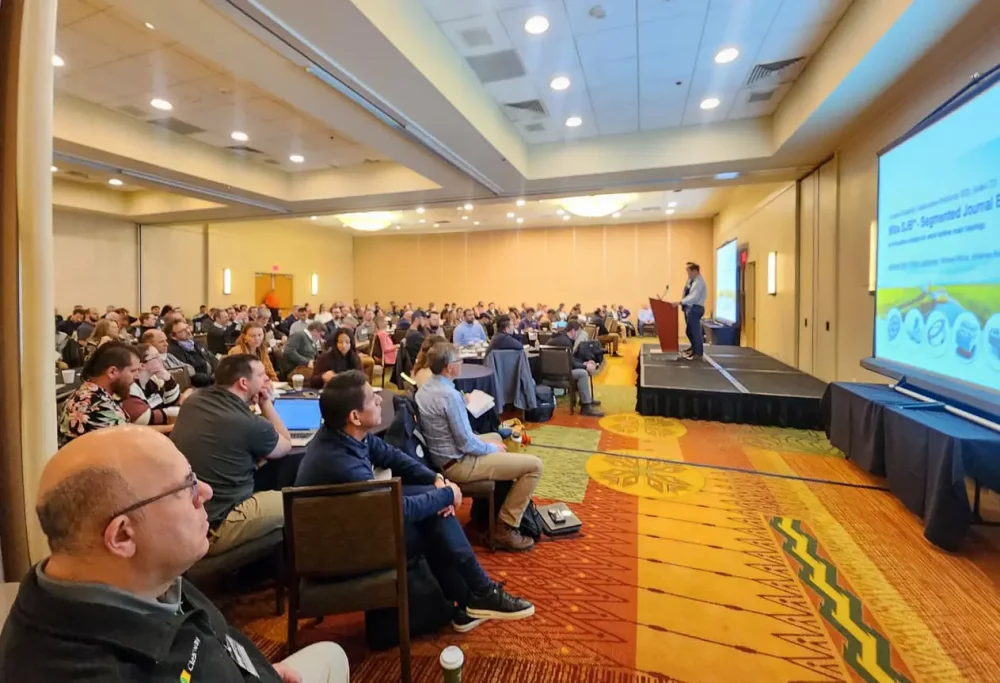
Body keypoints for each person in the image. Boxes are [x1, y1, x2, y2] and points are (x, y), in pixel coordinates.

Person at [0, 426, 349, 682]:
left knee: (331, 654)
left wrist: (254, 670)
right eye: (187, 487)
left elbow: (217, 637)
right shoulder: (82, 669)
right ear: (122, 535)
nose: (207, 493)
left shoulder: (146, 574)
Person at [295, 372, 535, 631]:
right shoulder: (341, 462)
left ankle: (473, 597)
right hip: (335, 552)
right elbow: (391, 510)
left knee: (430, 504)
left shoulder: (345, 436)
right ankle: (479, 592)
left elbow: (392, 456)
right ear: (354, 416)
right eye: (372, 398)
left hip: (349, 524)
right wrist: (446, 494)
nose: (379, 399)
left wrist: (435, 479)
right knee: (432, 516)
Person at [416, 343, 543, 551]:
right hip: (458, 464)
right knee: (535, 466)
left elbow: (463, 438)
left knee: (494, 436)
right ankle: (506, 527)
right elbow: (466, 443)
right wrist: (492, 448)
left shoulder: (427, 388)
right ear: (449, 367)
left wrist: (490, 444)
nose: (462, 365)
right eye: (459, 361)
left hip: (444, 457)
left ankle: (484, 515)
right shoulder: (449, 395)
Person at [170, 355, 292, 556]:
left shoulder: (194, 401)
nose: (267, 380)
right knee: (298, 502)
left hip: (187, 513)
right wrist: (266, 404)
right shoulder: (249, 424)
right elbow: (285, 445)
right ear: (244, 383)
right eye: (262, 376)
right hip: (218, 522)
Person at [58, 341, 140, 446]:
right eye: (133, 371)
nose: (137, 376)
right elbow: (130, 445)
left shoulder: (88, 392)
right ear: (112, 372)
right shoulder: (97, 407)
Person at [547, 321, 605, 417]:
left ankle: (585, 400)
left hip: (554, 370)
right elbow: (570, 362)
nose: (578, 335)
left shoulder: (560, 338)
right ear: (573, 331)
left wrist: (583, 363)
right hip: (558, 374)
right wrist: (585, 366)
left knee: (581, 370)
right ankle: (586, 406)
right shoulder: (565, 342)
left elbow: (569, 359)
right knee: (582, 373)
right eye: (578, 333)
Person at [121, 343, 182, 432]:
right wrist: (170, 412)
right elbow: (142, 419)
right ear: (142, 365)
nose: (161, 359)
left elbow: (172, 403)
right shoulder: (131, 386)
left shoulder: (153, 381)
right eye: (155, 357)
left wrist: (169, 381)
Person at [165, 318, 215, 387]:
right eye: (182, 331)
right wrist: (211, 378)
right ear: (173, 336)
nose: (188, 331)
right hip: (199, 386)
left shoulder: (194, 342)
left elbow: (211, 357)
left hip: (212, 380)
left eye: (187, 328)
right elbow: (189, 374)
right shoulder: (173, 351)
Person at [680, 261, 707, 360]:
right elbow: (686, 292)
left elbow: (693, 297)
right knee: (689, 331)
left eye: (689, 272)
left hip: (695, 308)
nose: (688, 274)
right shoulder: (691, 280)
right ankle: (693, 349)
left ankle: (698, 353)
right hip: (690, 308)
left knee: (695, 331)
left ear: (695, 271)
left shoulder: (699, 282)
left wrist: (680, 302)